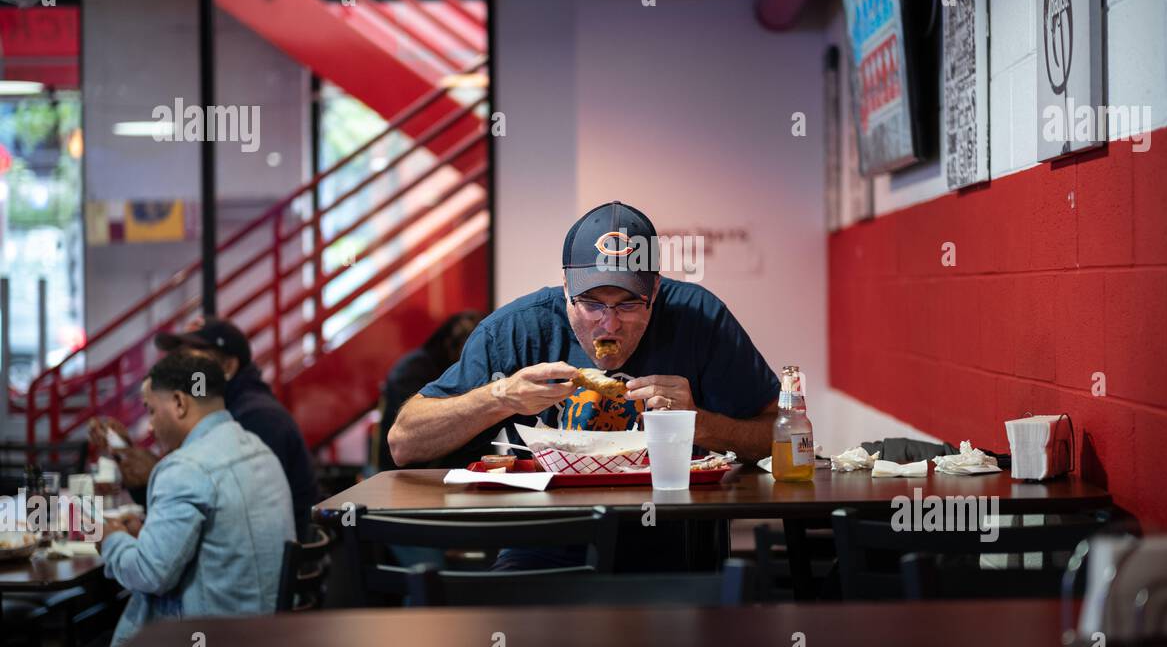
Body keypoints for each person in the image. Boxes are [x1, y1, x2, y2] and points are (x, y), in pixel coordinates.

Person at [387, 201, 780, 569]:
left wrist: (699, 422)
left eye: (628, 305)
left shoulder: (700, 319)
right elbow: (404, 443)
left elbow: (781, 437)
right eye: (591, 303)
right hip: (541, 542)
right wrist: (499, 396)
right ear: (565, 288)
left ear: (656, 290)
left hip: (674, 542)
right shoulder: (516, 330)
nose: (608, 324)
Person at [98, 351, 294, 647]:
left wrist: (111, 539)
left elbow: (149, 574)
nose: (150, 426)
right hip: (265, 644)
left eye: (151, 410)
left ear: (179, 403)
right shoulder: (260, 450)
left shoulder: (186, 467)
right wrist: (148, 531)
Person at [91, 317, 319, 539]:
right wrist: (128, 456)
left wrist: (156, 477)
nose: (183, 369)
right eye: (179, 357)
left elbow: (231, 515)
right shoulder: (216, 414)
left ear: (228, 367)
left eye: (194, 359)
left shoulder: (257, 418)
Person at [375, 310, 483, 471]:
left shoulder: (430, 365)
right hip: (407, 470)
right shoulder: (413, 370)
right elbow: (406, 435)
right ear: (451, 344)